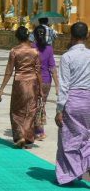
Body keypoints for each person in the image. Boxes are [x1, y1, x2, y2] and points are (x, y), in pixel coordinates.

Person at [55, 22, 90, 185]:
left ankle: (69, 173)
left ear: (72, 36)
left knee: (68, 138)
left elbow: (63, 85)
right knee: (86, 137)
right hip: (88, 100)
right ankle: (83, 165)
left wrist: (59, 109)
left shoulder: (67, 57)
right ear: (86, 36)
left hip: (73, 100)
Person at [0, 26, 42, 149]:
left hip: (19, 82)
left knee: (16, 111)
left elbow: (9, 71)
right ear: (28, 36)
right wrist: (41, 89)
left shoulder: (14, 51)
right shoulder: (35, 51)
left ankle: (20, 135)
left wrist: (1, 89)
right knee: (31, 111)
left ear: (17, 37)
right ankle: (27, 138)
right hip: (32, 83)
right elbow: (38, 72)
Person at [32, 25, 59, 141]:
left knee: (33, 105)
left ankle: (37, 130)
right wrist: (57, 85)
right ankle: (40, 130)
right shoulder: (49, 49)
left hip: (33, 80)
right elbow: (52, 67)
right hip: (46, 81)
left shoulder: (31, 48)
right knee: (41, 104)